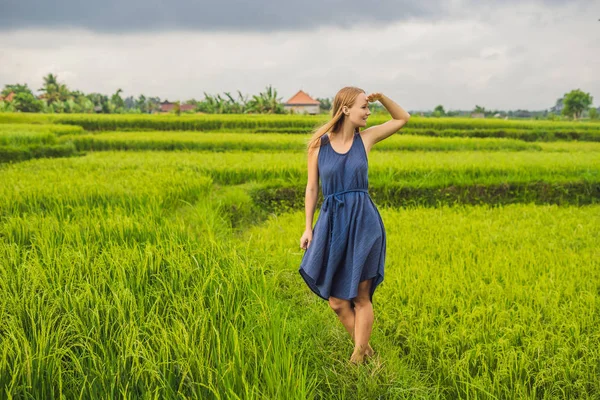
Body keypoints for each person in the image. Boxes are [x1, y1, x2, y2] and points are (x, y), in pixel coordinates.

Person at [298, 86, 410, 365]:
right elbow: (312, 189)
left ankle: (358, 357)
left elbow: (402, 118)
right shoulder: (318, 146)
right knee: (337, 302)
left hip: (364, 222)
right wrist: (308, 227)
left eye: (369, 107)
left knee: (361, 297)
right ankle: (369, 353)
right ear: (346, 109)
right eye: (364, 107)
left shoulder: (366, 139)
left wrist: (381, 98)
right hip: (333, 223)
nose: (368, 112)